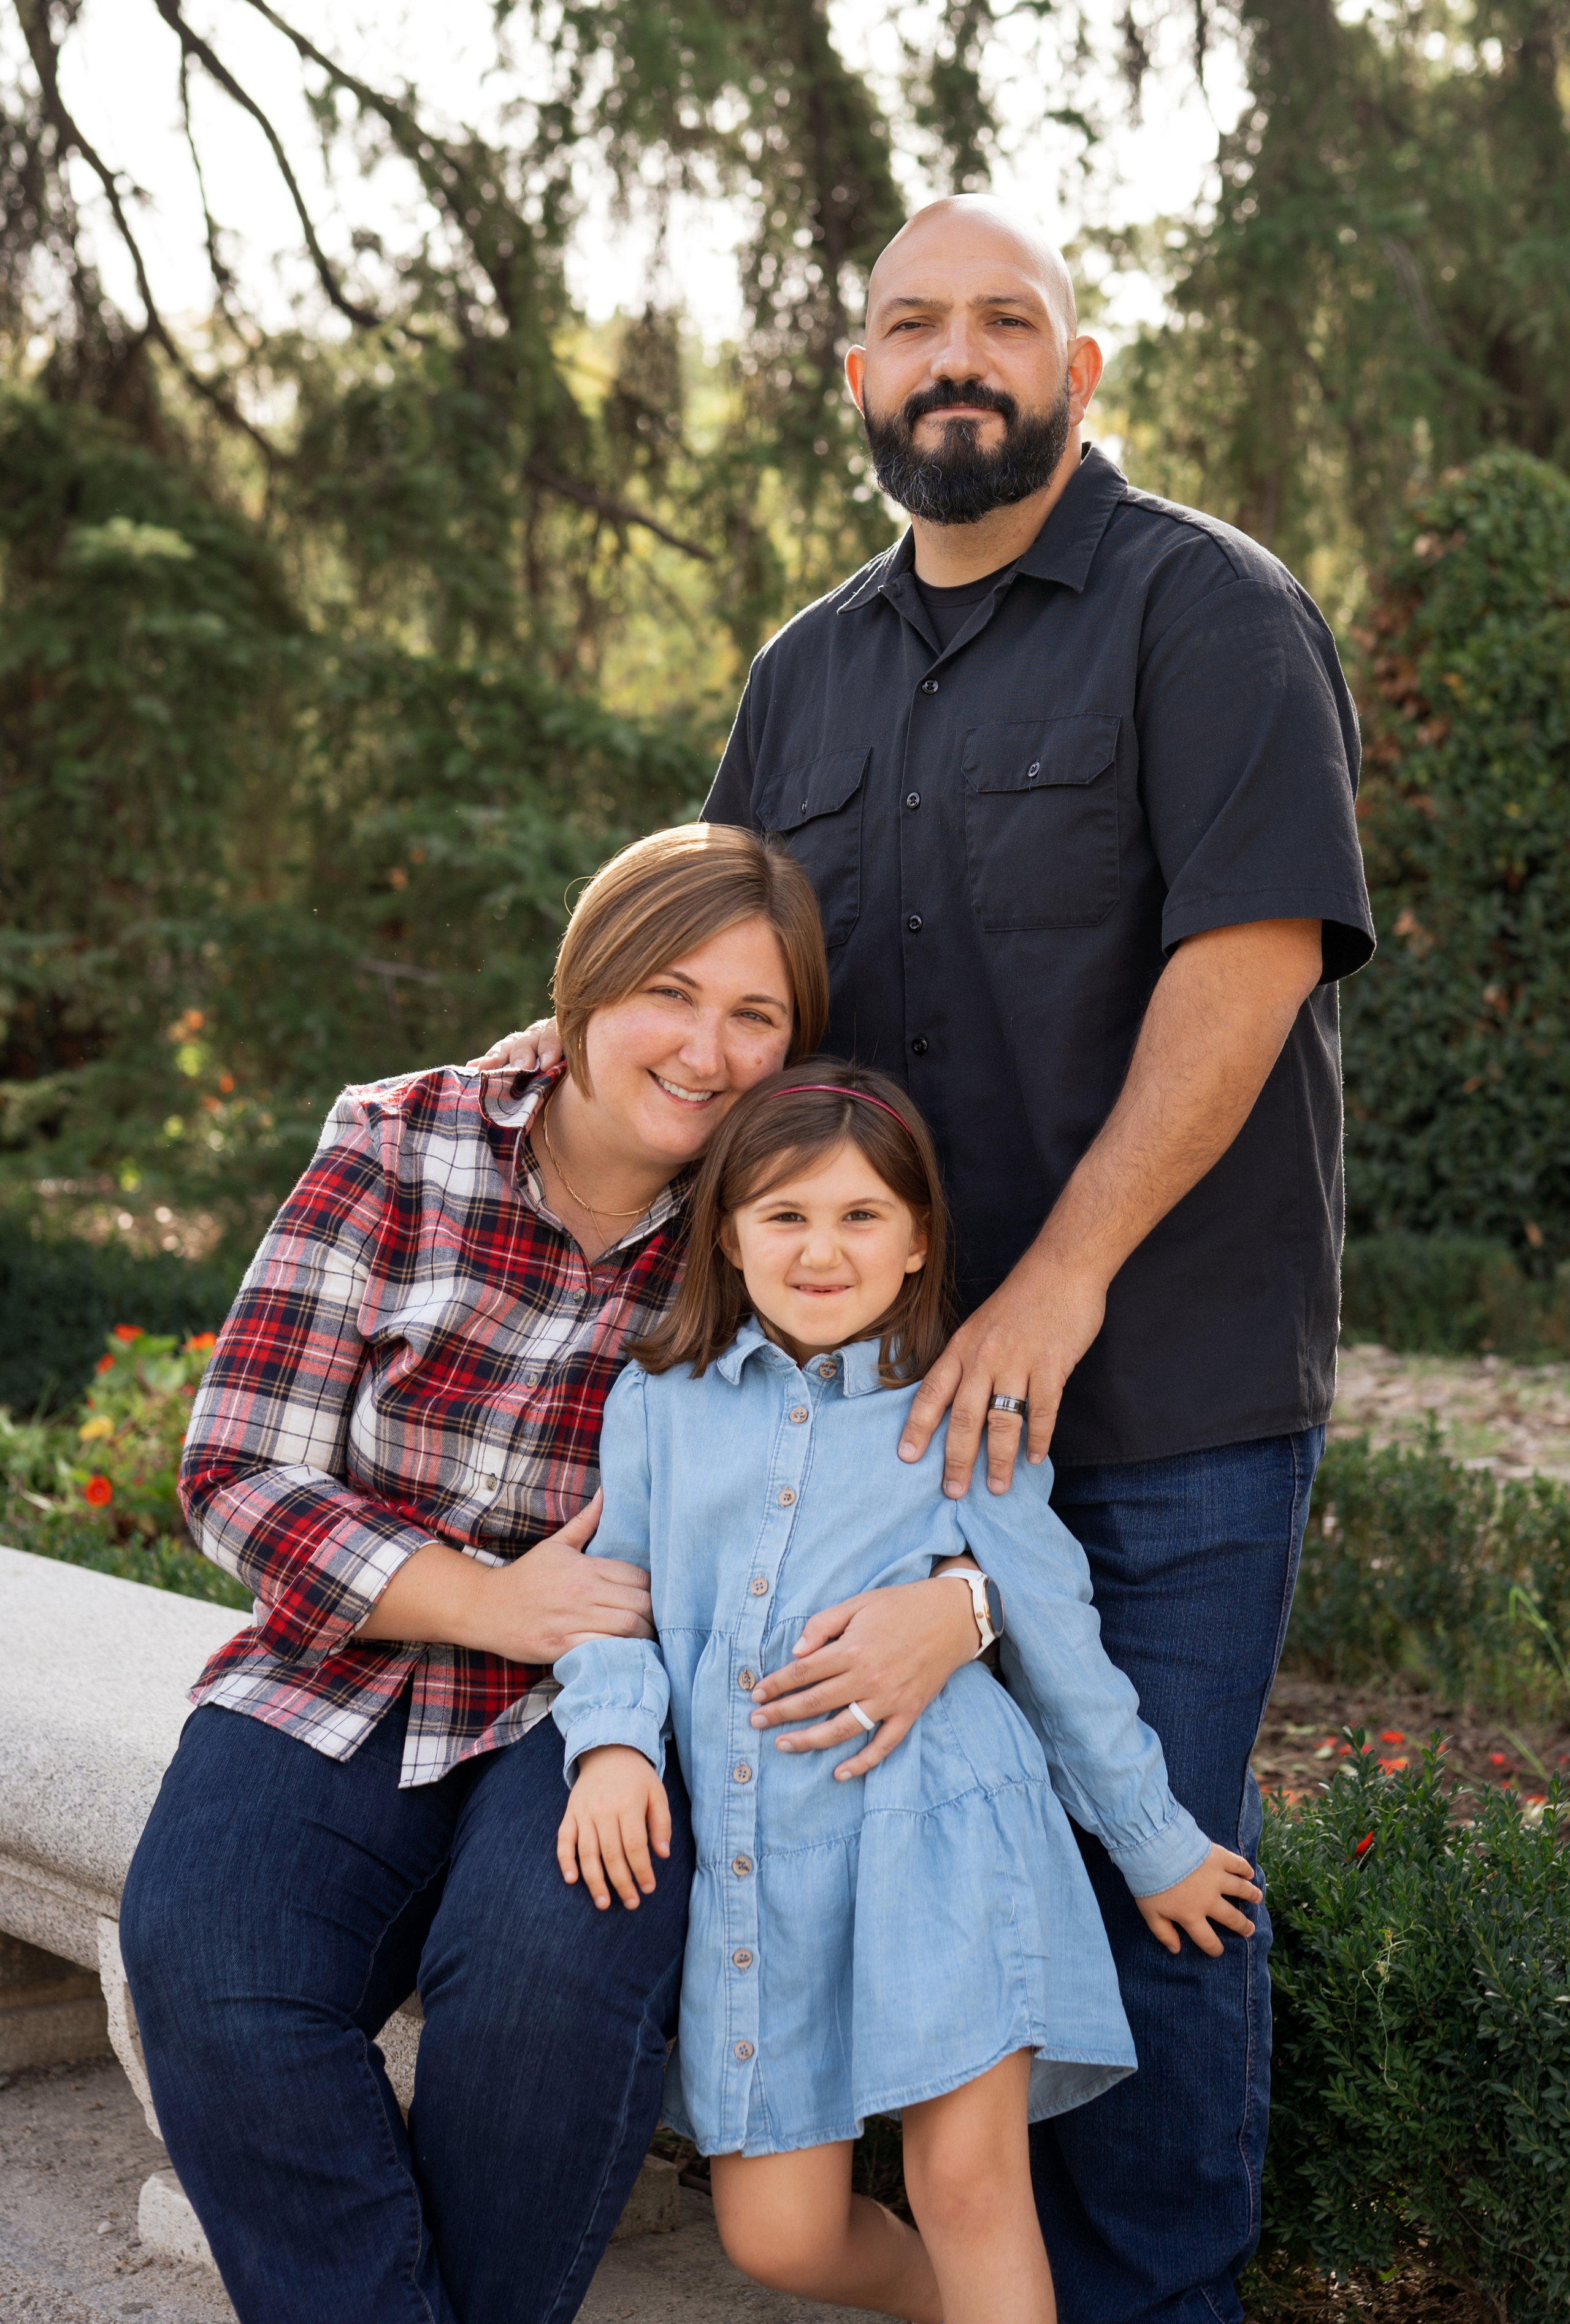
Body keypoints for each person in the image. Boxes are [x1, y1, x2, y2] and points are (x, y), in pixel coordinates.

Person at [475, 196, 1376, 2322]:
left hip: (1156, 1387)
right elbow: (717, 965)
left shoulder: (1209, 612)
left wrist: (1055, 1280)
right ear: (862, 384)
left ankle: (1157, 2299)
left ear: (1080, 373)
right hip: (861, 1420)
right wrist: (580, 1029)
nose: (955, 353)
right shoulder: (808, 671)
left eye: (1006, 321)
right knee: (904, 1824)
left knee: (1135, 1842)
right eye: (910, 325)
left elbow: (1246, 968)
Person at [117, 825, 989, 2324]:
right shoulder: (400, 1141)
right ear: (583, 990)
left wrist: (963, 1601)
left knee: (553, 1978)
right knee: (212, 1959)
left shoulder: (783, 1209)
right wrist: (486, 1599)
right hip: (352, 1660)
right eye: (667, 992)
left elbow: (914, 1458)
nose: (707, 1052)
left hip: (609, 1719)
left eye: (755, 1015)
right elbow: (237, 1469)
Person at [550, 1061, 1263, 2324]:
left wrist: (1153, 1846)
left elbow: (1056, 1637)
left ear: (916, 1236)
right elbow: (614, 1601)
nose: (820, 1250)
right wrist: (609, 1747)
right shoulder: (656, 1407)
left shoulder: (958, 1412)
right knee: (776, 2236)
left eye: (858, 1216)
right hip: (759, 1873)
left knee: (972, 2187)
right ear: (726, 1229)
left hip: (941, 1845)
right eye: (783, 1215)